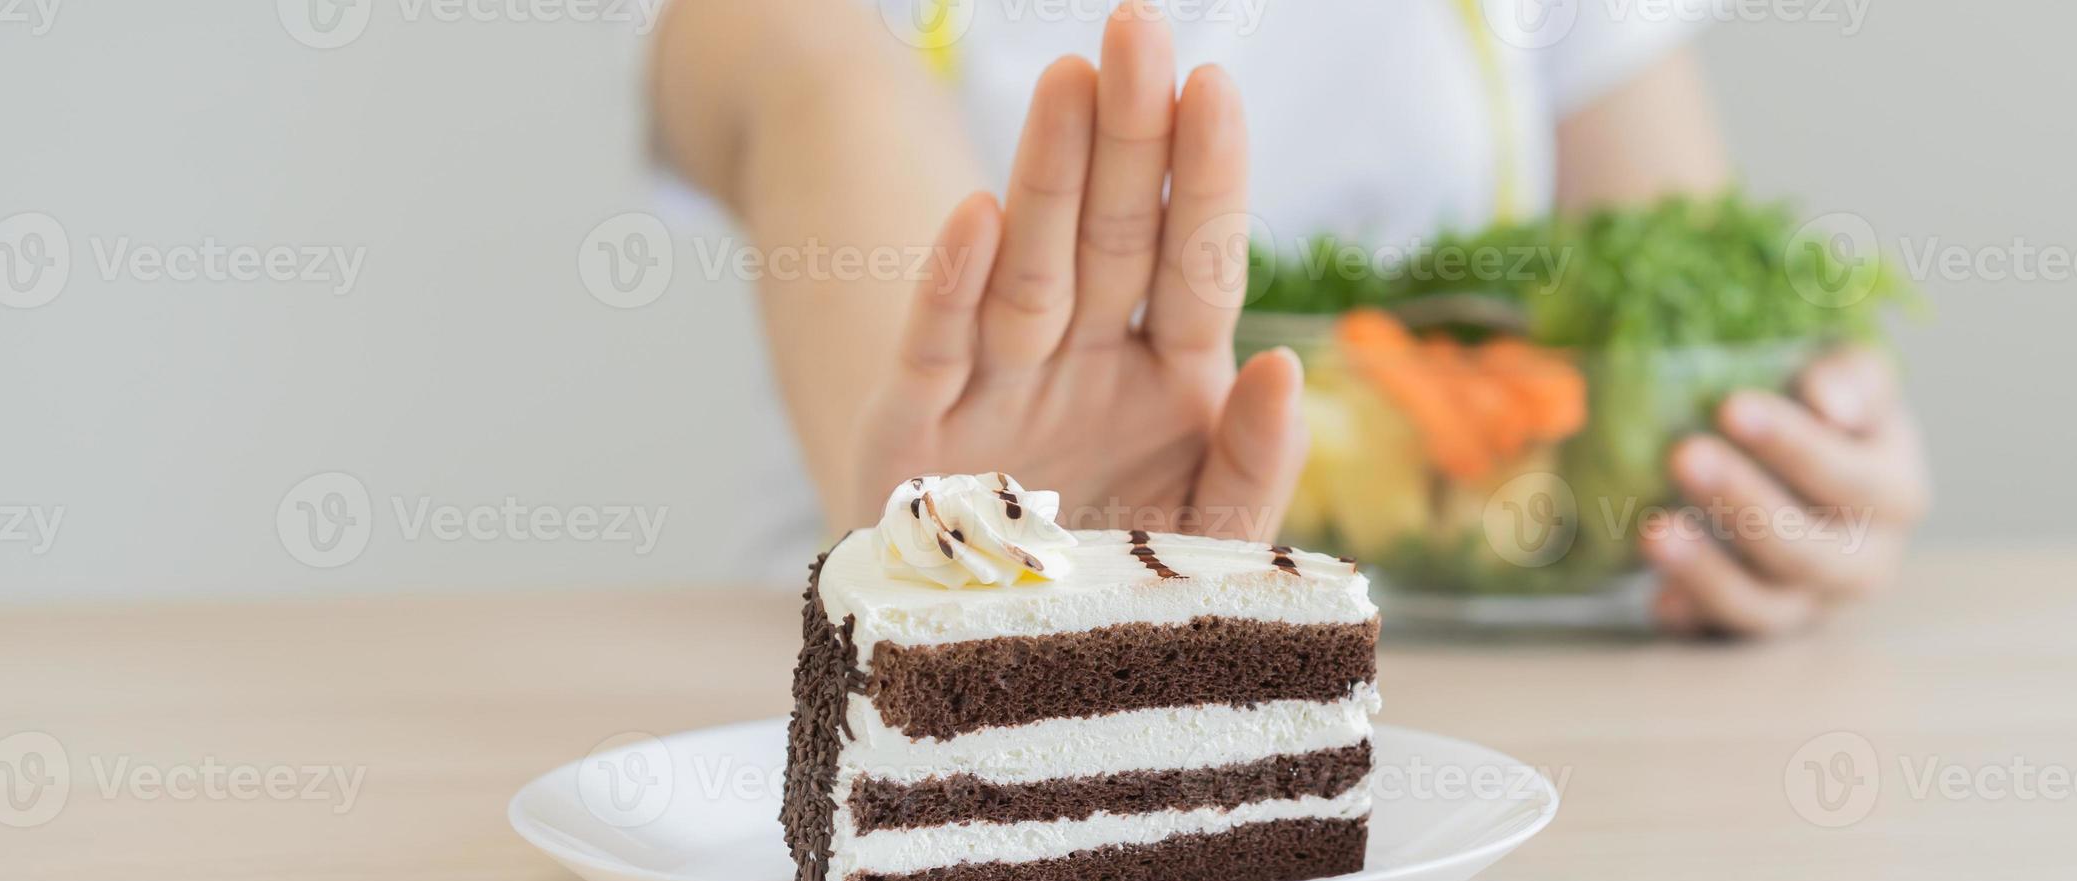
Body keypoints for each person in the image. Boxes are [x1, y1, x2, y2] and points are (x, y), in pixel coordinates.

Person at [648, 0, 1930, 637]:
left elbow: (1678, 298)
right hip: (911, 763)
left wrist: (1780, 469)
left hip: (1487, 723)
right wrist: (1001, 568)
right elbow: (798, 72)